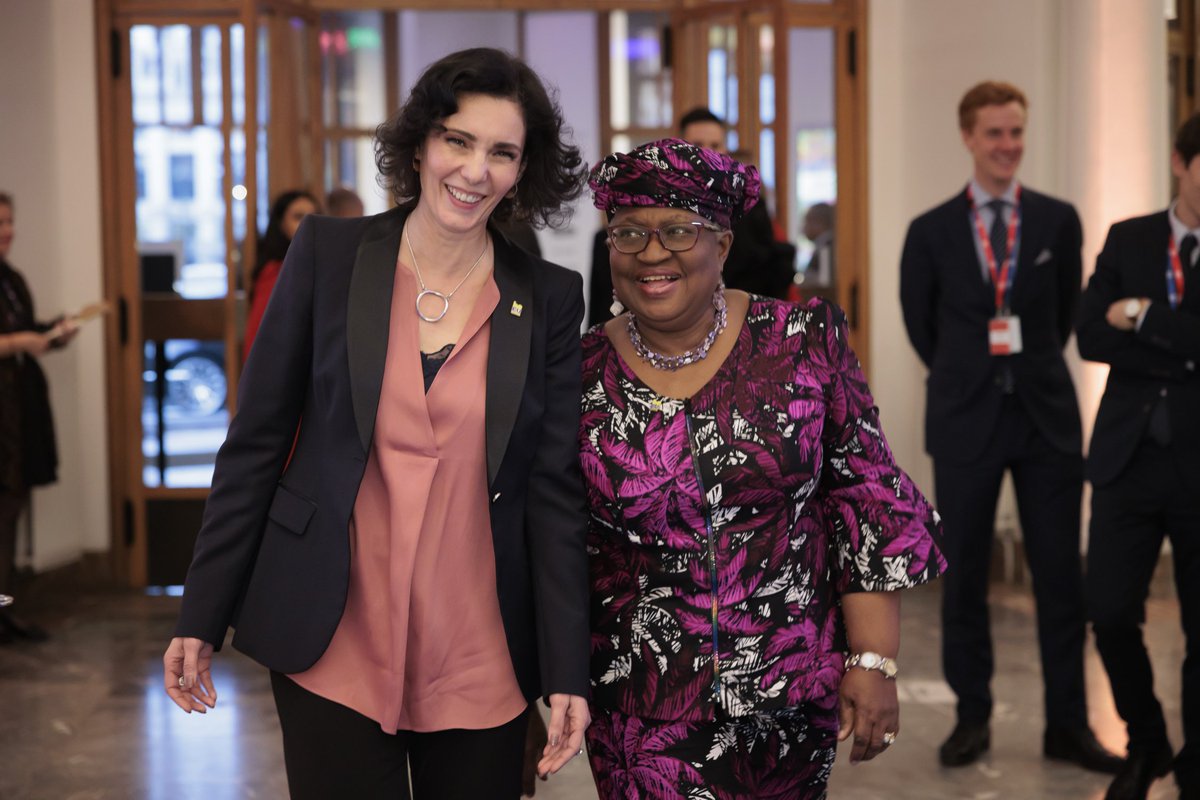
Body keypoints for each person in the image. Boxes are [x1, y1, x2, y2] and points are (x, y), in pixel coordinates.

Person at [162, 47, 591, 799]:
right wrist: (201, 613)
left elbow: (553, 492)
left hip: (479, 650)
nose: (474, 170)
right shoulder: (328, 256)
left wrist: (564, 669)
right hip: (333, 636)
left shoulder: (549, 298)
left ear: (523, 172)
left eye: (501, 152)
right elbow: (256, 445)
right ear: (422, 143)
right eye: (458, 140)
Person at [580, 138, 947, 799]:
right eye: (628, 232)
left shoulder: (802, 344)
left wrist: (873, 661)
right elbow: (546, 543)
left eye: (678, 231)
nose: (651, 253)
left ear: (721, 245)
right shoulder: (575, 375)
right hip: (640, 706)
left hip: (791, 697)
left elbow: (864, 498)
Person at [898, 80, 1121, 772]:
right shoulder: (930, 230)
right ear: (968, 137)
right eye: (995, 133)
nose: (1008, 146)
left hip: (1045, 419)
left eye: (1017, 132)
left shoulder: (1057, 220)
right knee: (962, 577)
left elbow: (1058, 321)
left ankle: (1067, 725)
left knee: (1060, 577)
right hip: (966, 419)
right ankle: (972, 719)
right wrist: (971, 371)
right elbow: (922, 325)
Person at [1077, 112, 1200, 800]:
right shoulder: (1131, 237)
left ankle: (1196, 768)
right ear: (1182, 162)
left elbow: (1125, 326)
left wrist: (1147, 316)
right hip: (1127, 458)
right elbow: (1091, 334)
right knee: (1112, 611)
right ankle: (1147, 741)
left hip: (1198, 464)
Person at [586, 108, 790, 328]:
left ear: (723, 246)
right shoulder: (616, 235)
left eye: (715, 146)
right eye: (697, 145)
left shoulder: (752, 217)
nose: (706, 155)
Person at [0, 191, 78, 643]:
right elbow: (14, 339)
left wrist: (54, 332)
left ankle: (5, 608)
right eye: (0, 224)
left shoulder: (11, 278)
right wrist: (21, 343)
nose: (8, 231)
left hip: (17, 415)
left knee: (11, 511)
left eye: (11, 221)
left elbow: (25, 331)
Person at [242, 189, 319, 360]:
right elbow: (258, 335)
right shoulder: (275, 271)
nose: (307, 225)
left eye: (314, 217)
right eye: (298, 217)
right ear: (281, 223)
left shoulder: (315, 264)